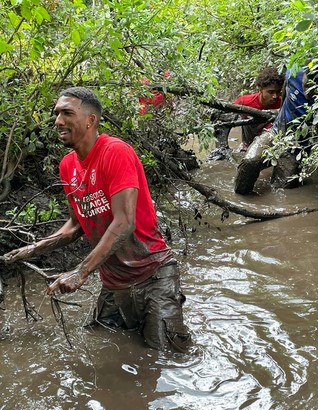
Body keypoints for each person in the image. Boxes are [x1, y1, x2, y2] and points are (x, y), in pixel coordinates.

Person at [3, 87, 191, 352]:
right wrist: (34, 249)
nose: (58, 121)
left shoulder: (116, 152)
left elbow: (124, 222)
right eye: (57, 114)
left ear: (90, 121)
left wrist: (81, 272)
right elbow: (76, 224)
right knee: (101, 345)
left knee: (170, 358)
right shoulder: (67, 165)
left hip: (153, 276)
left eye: (67, 113)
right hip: (113, 283)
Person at [234, 63, 318, 195]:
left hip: (298, 145)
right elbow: (286, 92)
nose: (309, 91)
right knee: (250, 161)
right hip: (277, 131)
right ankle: (238, 199)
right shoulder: (294, 71)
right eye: (308, 83)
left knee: (282, 189)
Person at [233, 67, 285, 151]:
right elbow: (226, 118)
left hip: (270, 142)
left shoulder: (282, 103)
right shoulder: (245, 102)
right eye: (270, 92)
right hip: (249, 141)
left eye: (278, 91)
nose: (275, 96)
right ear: (261, 89)